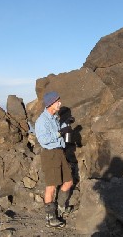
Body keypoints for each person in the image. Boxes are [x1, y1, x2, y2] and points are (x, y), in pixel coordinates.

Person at [35, 91, 73, 228]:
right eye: (58, 101)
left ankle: (61, 207)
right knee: (51, 186)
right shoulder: (42, 121)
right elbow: (43, 139)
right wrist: (59, 133)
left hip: (60, 152)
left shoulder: (54, 118)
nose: (60, 103)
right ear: (51, 103)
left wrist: (66, 125)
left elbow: (60, 131)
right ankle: (50, 218)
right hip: (50, 155)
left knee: (68, 181)